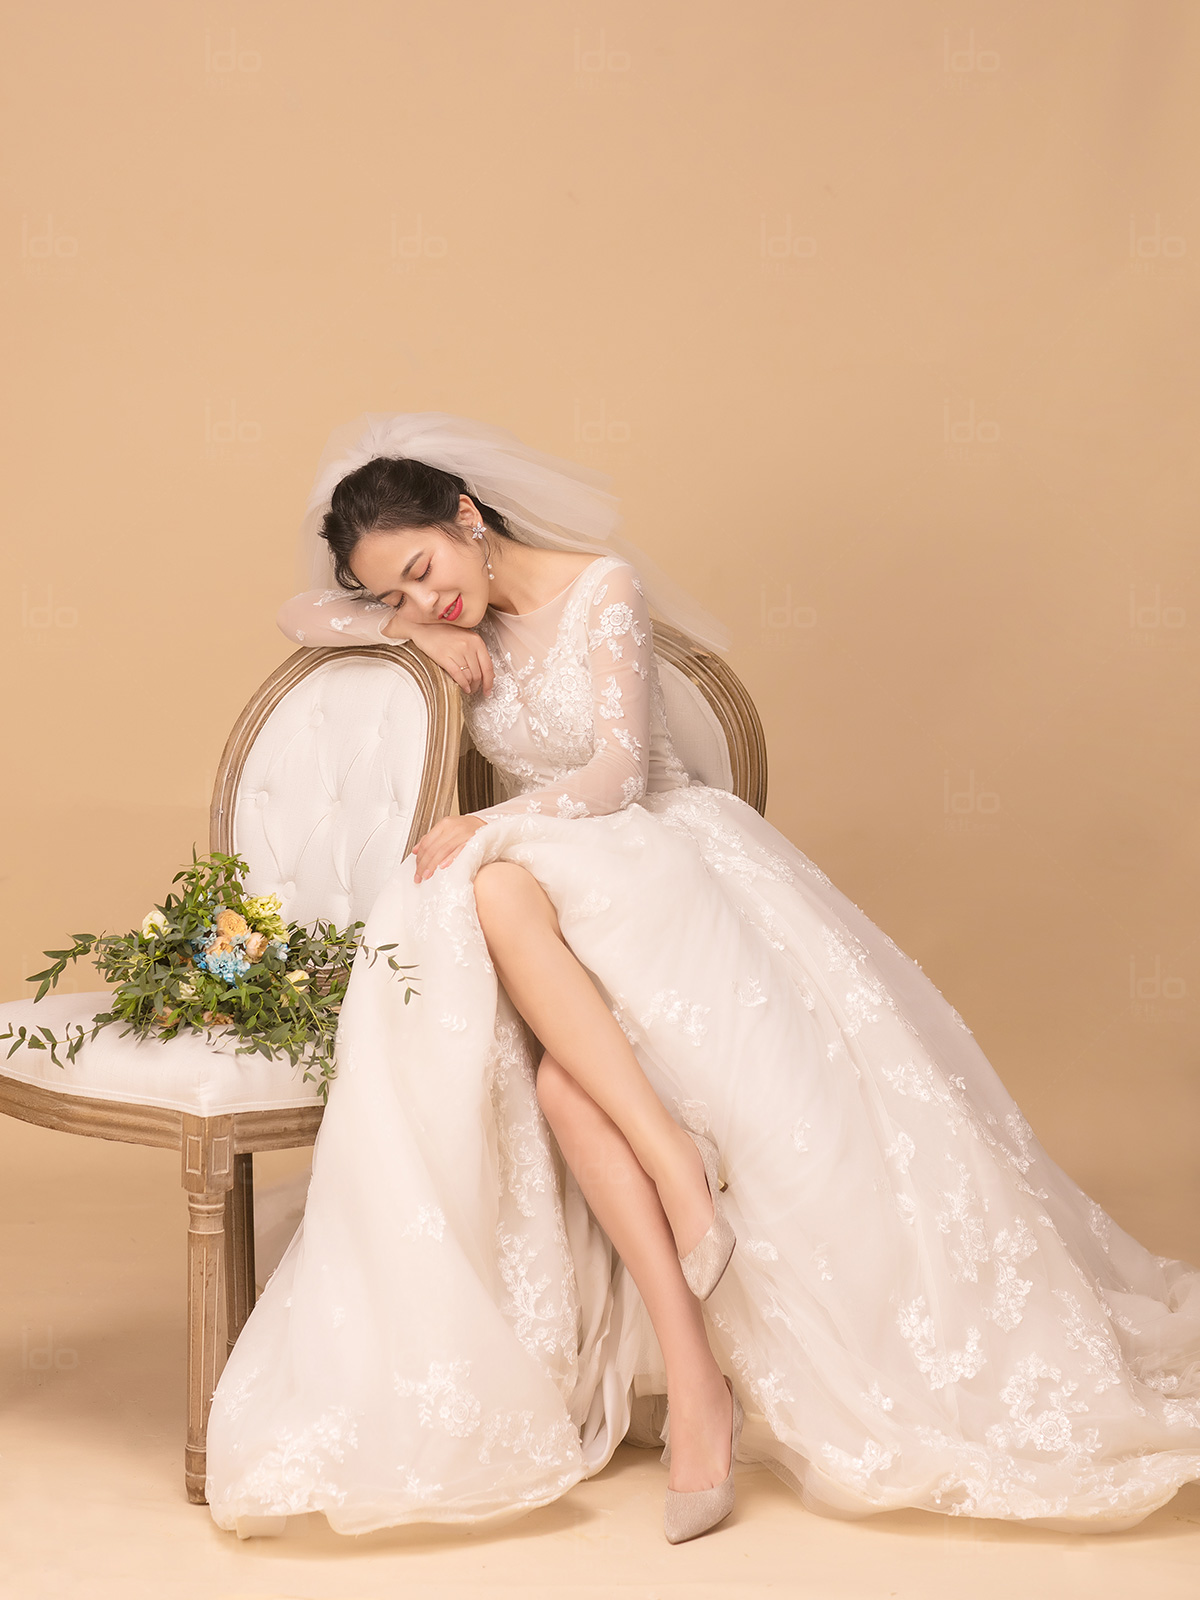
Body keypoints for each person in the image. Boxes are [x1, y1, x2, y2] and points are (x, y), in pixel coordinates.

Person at [205, 413, 1200, 1543]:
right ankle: (693, 1354)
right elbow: (303, 615)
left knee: (503, 914)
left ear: (468, 517)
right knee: (555, 1069)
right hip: (560, 891)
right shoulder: (435, 621)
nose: (427, 603)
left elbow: (621, 775)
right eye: (396, 593)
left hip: (659, 859)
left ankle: (694, 1316)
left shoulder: (602, 588)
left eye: (426, 571)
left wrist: (490, 821)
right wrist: (405, 629)